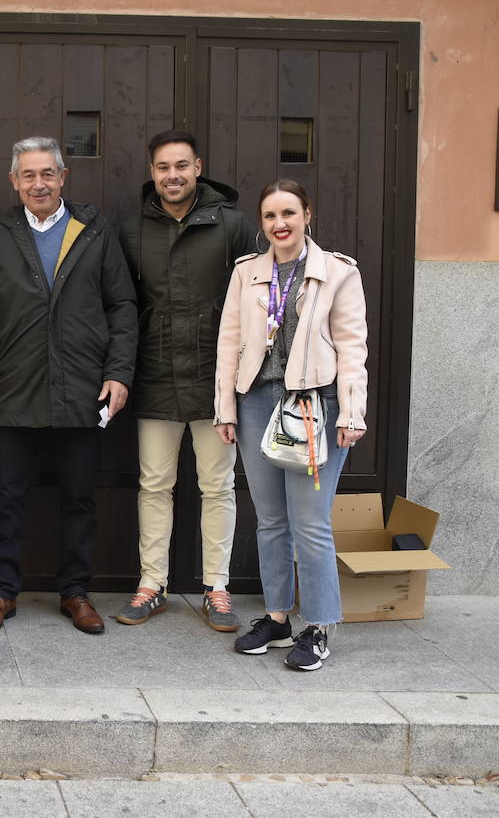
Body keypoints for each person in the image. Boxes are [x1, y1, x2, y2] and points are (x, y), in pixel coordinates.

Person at [0, 136, 137, 635]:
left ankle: (75, 592)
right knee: (7, 495)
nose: (38, 183)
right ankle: (1, 593)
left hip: (84, 388)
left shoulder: (95, 232)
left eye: (48, 174)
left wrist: (118, 372)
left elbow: (122, 307)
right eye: (28, 175)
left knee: (80, 496)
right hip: (13, 388)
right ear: (13, 181)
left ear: (63, 178)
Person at [214, 179, 368, 670]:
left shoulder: (337, 273)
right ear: (262, 224)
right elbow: (228, 344)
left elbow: (352, 348)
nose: (279, 224)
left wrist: (352, 411)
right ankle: (278, 617)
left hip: (315, 404)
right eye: (270, 217)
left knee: (311, 523)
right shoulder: (247, 273)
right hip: (258, 399)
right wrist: (225, 408)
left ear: (307, 215)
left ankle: (319, 625)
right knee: (270, 520)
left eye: (288, 214)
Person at [116, 130, 258, 631]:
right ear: (151, 172)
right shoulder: (131, 229)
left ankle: (216, 588)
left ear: (198, 166)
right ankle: (151, 584)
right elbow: (124, 307)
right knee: (154, 484)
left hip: (216, 380)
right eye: (162, 167)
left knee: (217, 486)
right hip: (154, 376)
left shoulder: (235, 226)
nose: (171, 176)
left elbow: (257, 303)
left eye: (180, 166)